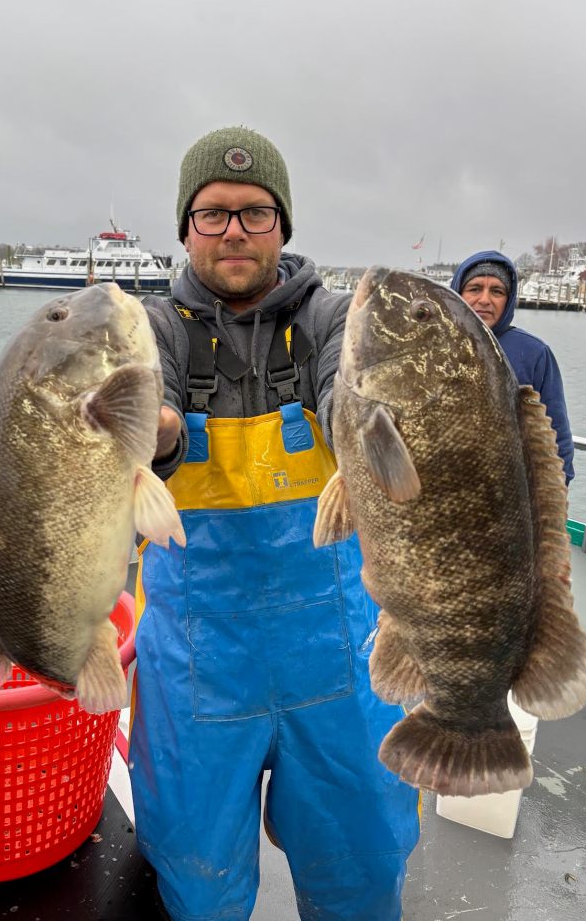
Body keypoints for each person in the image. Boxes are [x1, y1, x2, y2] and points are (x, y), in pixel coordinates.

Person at [128, 126, 420, 921]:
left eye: (254, 213)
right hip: (196, 662)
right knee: (197, 878)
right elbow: (139, 398)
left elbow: (344, 393)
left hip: (336, 655)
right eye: (212, 214)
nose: (233, 231)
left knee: (361, 865)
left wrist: (365, 425)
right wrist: (150, 428)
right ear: (186, 227)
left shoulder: (332, 320)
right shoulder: (155, 329)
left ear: (283, 225)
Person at [451, 250, 575, 483]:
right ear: (457, 294)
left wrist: (552, 499)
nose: (485, 300)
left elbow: (557, 437)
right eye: (475, 288)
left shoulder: (534, 353)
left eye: (497, 291)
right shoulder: (433, 347)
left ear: (508, 299)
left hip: (508, 493)